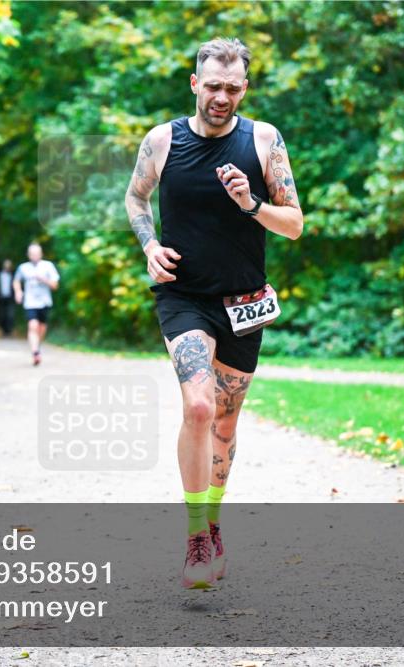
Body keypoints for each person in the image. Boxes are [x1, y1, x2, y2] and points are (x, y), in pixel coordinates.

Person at [124, 38, 304, 588]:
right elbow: (136, 199)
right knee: (199, 406)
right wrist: (150, 246)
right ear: (194, 84)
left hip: (244, 302)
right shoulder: (162, 140)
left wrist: (251, 204)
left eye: (232, 87)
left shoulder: (264, 141)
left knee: (225, 423)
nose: (221, 96)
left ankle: (215, 520)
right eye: (213, 85)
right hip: (183, 296)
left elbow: (294, 223)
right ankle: (197, 536)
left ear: (243, 88)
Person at [13, 243, 60, 366]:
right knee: (32, 326)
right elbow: (16, 280)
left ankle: (37, 347)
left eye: (37, 253)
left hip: (45, 302)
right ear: (28, 255)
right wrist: (18, 291)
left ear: (41, 254)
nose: (34, 256)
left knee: (42, 328)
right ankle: (35, 352)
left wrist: (43, 279)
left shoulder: (48, 266)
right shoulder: (23, 268)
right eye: (32, 254)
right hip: (30, 303)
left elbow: (55, 285)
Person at [0, 259, 16, 337]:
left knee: (10, 315)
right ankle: (4, 330)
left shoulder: (13, 275)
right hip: (1, 298)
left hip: (10, 298)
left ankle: (9, 330)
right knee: (2, 315)